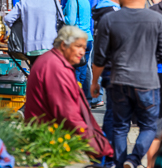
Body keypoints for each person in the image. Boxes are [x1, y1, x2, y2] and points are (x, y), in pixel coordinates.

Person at [92, 0, 162, 168]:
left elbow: (100, 57)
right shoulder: (157, 19)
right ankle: (134, 158)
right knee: (149, 126)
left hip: (118, 81)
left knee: (120, 126)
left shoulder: (110, 19)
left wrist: (94, 82)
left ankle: (122, 161)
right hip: (148, 82)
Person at [24, 26, 113, 159]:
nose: (82, 52)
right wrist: (100, 149)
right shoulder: (55, 67)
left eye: (84, 47)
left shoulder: (54, 61)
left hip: (49, 139)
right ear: (64, 45)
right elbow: (69, 115)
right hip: (48, 142)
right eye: (78, 46)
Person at [4, 0, 63, 64]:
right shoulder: (53, 0)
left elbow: (8, 19)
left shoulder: (24, 1)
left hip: (31, 46)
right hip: (50, 45)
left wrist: (19, 26)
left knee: (35, 73)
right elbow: (61, 19)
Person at [58, 0, 94, 102]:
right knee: (82, 72)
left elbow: (71, 21)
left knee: (75, 74)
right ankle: (85, 102)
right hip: (88, 38)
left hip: (76, 39)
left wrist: (61, 16)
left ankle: (75, 102)